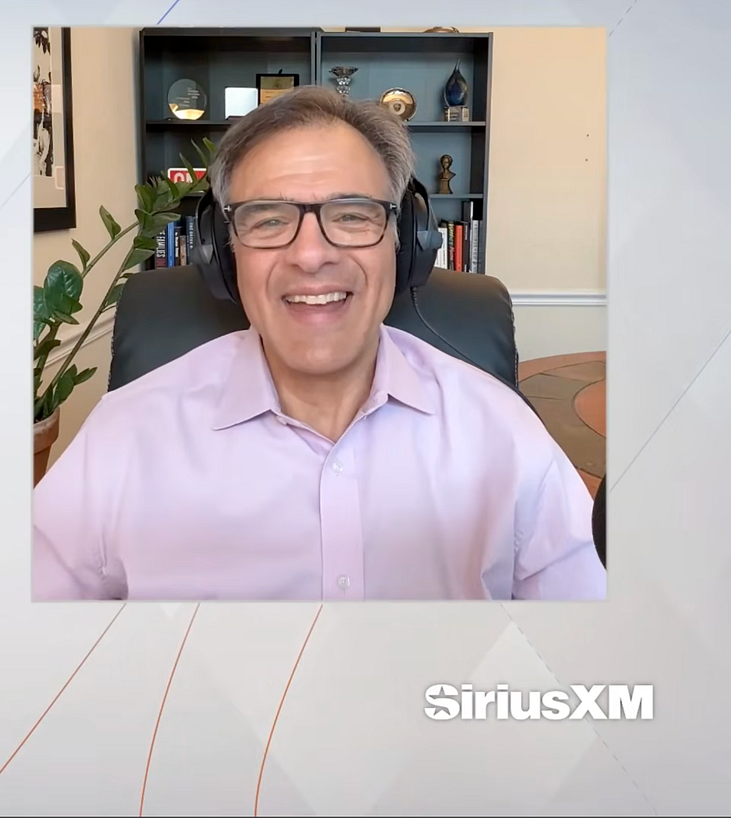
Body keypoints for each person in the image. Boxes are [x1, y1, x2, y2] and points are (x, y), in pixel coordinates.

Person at [32, 86, 606, 601]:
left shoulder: (501, 430)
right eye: (267, 220)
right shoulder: (126, 436)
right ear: (222, 252)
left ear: (406, 242)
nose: (310, 255)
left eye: (352, 216)